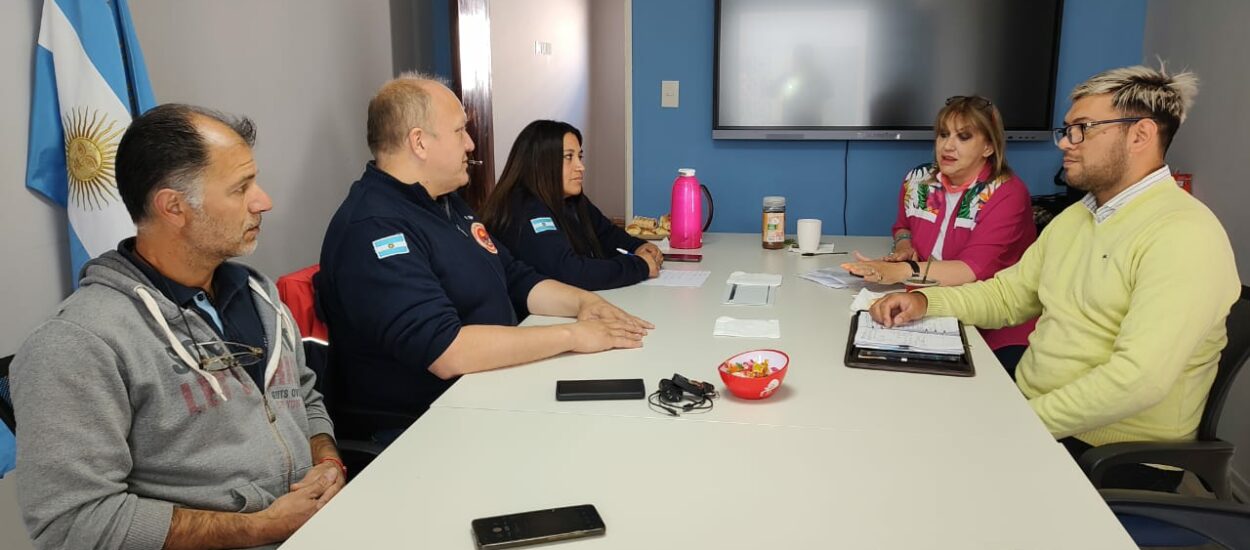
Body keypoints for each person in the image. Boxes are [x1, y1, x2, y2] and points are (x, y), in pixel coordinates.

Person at [868, 66, 1238, 491]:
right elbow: (1008, 296)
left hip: (1105, 453)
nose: (1064, 141)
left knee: (927, 485)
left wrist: (1018, 421)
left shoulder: (1184, 235)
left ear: (1139, 136)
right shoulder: (1079, 218)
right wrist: (924, 302)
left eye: (1083, 129)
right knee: (898, 434)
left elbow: (1137, 380)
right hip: (1038, 415)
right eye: (1068, 128)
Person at [12, 104, 344, 550]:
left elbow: (302, 395)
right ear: (173, 207)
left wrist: (326, 459)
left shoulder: (257, 294)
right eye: (241, 187)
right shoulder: (78, 343)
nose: (263, 201)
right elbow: (74, 523)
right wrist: (263, 526)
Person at [316, 74, 652, 442]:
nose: (471, 144)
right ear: (419, 142)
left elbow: (514, 276)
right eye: (460, 131)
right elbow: (448, 351)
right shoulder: (375, 229)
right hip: (425, 424)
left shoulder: (446, 204)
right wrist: (574, 334)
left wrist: (585, 302)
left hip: (489, 386)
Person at [843, 95, 1037, 372]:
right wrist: (904, 246)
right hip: (927, 306)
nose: (948, 145)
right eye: (943, 134)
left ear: (989, 147)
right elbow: (904, 225)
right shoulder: (921, 181)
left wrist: (897, 272)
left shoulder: (1006, 193)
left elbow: (971, 269)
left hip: (994, 327)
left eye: (964, 136)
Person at [480, 120, 662, 293]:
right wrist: (640, 266)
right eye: (569, 157)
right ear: (541, 162)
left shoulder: (570, 199)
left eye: (579, 156)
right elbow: (570, 272)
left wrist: (638, 247)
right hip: (533, 320)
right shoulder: (526, 209)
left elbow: (607, 234)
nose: (580, 166)